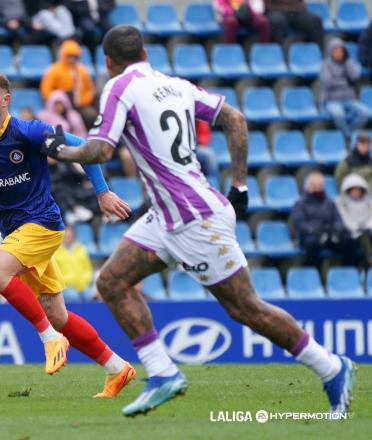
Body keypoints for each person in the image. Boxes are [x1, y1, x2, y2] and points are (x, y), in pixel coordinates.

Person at [41, 25, 355, 417]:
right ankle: (162, 374)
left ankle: (331, 367)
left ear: (107, 61)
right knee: (112, 281)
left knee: (246, 309)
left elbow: (100, 150)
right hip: (167, 215)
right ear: (144, 51)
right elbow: (235, 118)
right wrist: (239, 185)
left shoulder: (120, 87)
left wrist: (59, 150)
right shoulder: (176, 85)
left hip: (194, 218)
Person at [0, 70, 135, 397]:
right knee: (58, 314)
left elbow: (83, 148)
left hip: (42, 224)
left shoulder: (30, 133)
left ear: (6, 100)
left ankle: (49, 339)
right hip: (16, 234)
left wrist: (101, 191)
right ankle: (117, 367)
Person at [290, 171, 355, 267]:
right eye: (316, 185)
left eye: (321, 185)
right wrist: (315, 230)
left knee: (350, 241)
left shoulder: (329, 202)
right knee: (312, 244)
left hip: (329, 234)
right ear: (309, 187)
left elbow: (338, 219)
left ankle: (348, 270)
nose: (319, 188)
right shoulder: (300, 204)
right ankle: (313, 271)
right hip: (312, 235)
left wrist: (335, 230)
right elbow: (300, 224)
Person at [320, 38, 369, 140]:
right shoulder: (325, 65)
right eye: (336, 50)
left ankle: (349, 132)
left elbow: (355, 76)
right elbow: (328, 82)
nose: (339, 53)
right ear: (331, 51)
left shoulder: (347, 62)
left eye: (341, 50)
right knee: (339, 114)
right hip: (332, 100)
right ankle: (347, 136)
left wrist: (347, 62)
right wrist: (344, 82)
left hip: (349, 99)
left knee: (367, 113)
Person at [40, 40, 96, 126]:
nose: (72, 60)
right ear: (64, 55)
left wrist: (82, 101)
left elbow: (89, 90)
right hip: (59, 107)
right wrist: (59, 102)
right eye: (69, 56)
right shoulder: (54, 70)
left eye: (75, 57)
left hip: (79, 105)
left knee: (91, 115)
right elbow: (46, 90)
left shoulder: (82, 71)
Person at [336, 173, 372, 267]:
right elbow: (345, 218)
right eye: (354, 190)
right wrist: (356, 227)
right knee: (363, 237)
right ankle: (369, 258)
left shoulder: (368, 202)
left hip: (368, 229)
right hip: (354, 232)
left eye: (358, 190)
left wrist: (368, 226)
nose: (356, 192)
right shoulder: (342, 203)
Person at [53, 224, 92, 293]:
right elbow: (55, 273)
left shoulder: (81, 249)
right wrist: (64, 284)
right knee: (73, 297)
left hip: (83, 286)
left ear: (74, 237)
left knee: (89, 295)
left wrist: (86, 281)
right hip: (66, 287)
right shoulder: (56, 252)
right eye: (66, 237)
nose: (68, 239)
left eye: (70, 236)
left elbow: (88, 268)